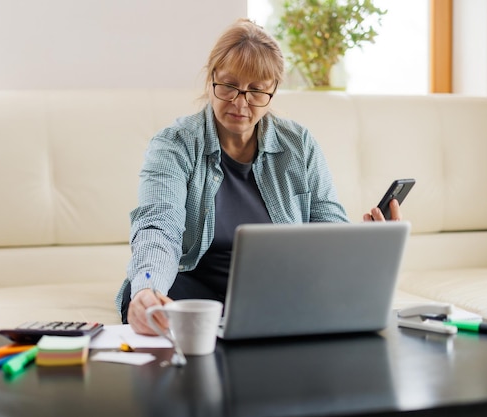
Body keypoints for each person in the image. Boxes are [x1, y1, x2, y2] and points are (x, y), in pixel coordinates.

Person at [116, 18, 402, 335]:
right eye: (229, 86)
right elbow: (158, 227)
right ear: (211, 78)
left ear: (273, 91)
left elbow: (328, 226)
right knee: (146, 299)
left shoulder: (299, 144)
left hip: (278, 291)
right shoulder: (173, 144)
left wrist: (363, 246)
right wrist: (146, 288)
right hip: (194, 286)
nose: (240, 103)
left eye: (256, 91)